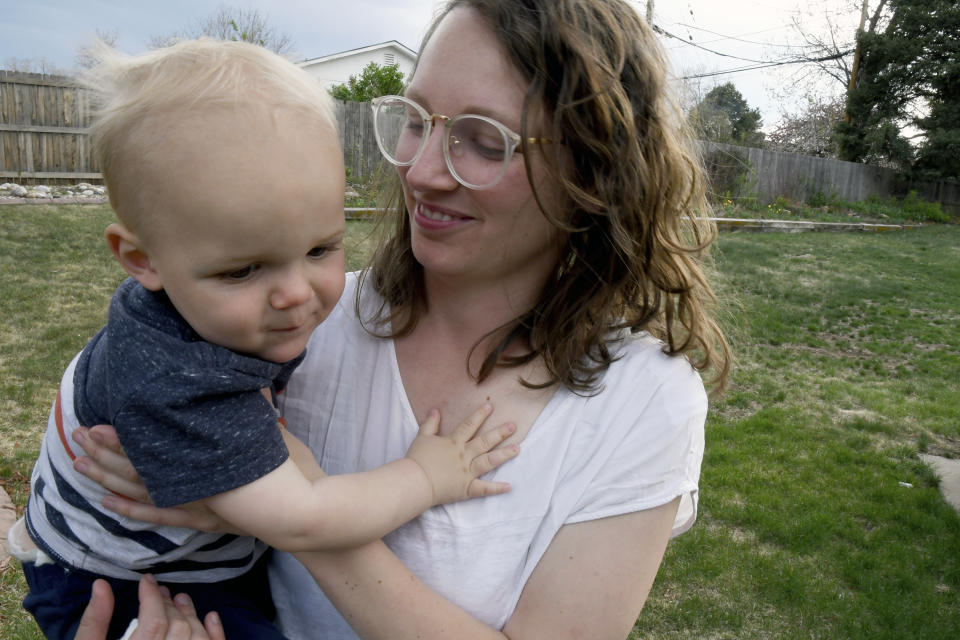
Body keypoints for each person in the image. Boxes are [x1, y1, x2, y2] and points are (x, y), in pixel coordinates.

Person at [73, 0, 732, 638]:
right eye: (417, 119)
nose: (419, 171)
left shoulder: (646, 402)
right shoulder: (296, 324)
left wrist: (281, 508)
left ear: (593, 169)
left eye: (482, 140)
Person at [13, 37, 519, 640]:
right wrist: (427, 477)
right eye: (242, 270)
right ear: (140, 259)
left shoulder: (195, 317)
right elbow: (303, 519)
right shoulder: (176, 377)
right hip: (121, 589)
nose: (295, 295)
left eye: (318, 249)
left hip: (182, 564)